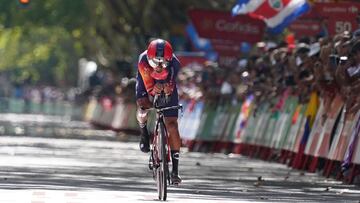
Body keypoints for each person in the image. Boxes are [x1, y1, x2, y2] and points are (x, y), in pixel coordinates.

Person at [135, 38, 182, 184]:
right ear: (149, 58)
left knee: (172, 126)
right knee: (143, 105)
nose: (159, 66)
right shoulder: (143, 61)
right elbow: (149, 88)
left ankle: (175, 170)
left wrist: (167, 90)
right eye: (156, 62)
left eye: (163, 62)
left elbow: (170, 86)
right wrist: (153, 92)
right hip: (147, 80)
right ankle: (144, 132)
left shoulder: (174, 64)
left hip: (167, 82)